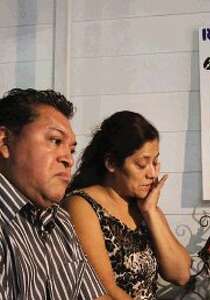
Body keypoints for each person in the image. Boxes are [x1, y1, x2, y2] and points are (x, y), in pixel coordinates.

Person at [64, 111, 191, 300]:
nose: (152, 173)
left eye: (155, 161)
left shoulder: (144, 207)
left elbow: (180, 275)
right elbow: (104, 290)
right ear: (111, 163)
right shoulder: (81, 205)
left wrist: (151, 212)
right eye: (142, 164)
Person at [0, 88, 111, 299]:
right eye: (55, 141)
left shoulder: (59, 221)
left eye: (71, 150)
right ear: (5, 142)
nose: (68, 159)